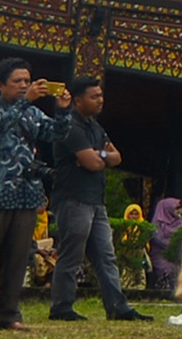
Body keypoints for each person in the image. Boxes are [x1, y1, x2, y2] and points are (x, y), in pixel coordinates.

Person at [0, 62, 63, 329]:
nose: (23, 86)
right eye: (17, 81)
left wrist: (64, 111)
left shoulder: (33, 113)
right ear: (0, 85)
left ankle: (9, 315)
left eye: (27, 81)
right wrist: (24, 103)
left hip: (27, 193)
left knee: (18, 259)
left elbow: (57, 134)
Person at [40, 76, 146, 322]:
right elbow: (93, 162)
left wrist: (98, 155)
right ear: (78, 100)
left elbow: (115, 157)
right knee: (71, 254)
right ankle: (61, 307)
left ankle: (118, 307)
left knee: (106, 255)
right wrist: (99, 157)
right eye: (94, 96)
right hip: (73, 197)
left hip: (96, 200)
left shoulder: (95, 127)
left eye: (100, 95)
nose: (100, 100)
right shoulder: (70, 127)